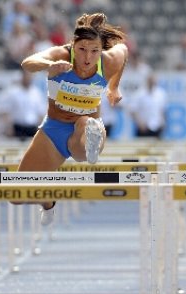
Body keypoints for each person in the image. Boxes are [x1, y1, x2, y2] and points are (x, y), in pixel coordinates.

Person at [17, 12, 128, 225]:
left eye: (94, 51)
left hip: (84, 131)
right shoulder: (61, 55)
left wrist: (114, 87)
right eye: (82, 50)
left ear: (100, 49)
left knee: (84, 126)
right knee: (18, 195)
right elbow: (28, 62)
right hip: (54, 130)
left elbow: (123, 50)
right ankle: (48, 201)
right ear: (72, 46)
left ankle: (91, 141)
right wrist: (47, 65)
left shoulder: (108, 62)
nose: (88, 58)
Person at [0, 69, 47, 140]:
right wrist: (8, 127)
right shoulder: (12, 92)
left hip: (32, 128)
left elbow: (41, 114)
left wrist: (41, 130)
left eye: (30, 75)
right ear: (22, 76)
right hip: (17, 128)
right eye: (27, 75)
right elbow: (5, 111)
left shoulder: (36, 93)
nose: (28, 77)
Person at [128, 73, 167, 139]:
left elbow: (162, 110)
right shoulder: (139, 94)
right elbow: (133, 110)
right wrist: (139, 123)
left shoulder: (161, 94)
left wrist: (163, 122)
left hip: (156, 126)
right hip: (144, 127)